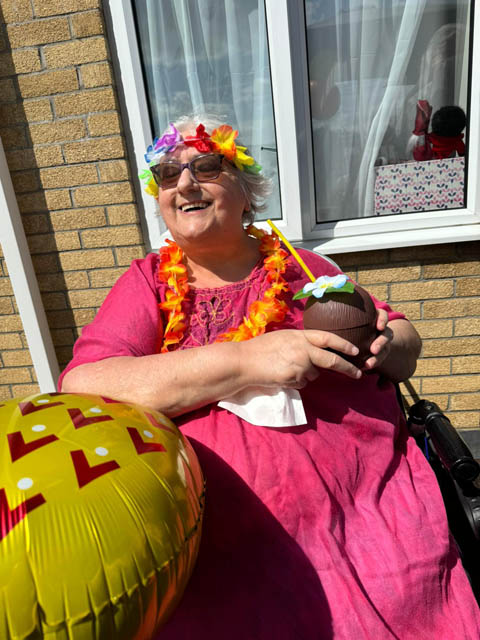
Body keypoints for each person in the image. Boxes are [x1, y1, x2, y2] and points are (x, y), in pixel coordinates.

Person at [60, 115, 480, 639]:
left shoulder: (303, 266)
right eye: (168, 174)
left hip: (368, 515)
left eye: (206, 166)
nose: (185, 184)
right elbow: (85, 387)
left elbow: (401, 332)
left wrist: (389, 345)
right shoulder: (147, 284)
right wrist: (249, 359)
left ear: (245, 191)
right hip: (231, 548)